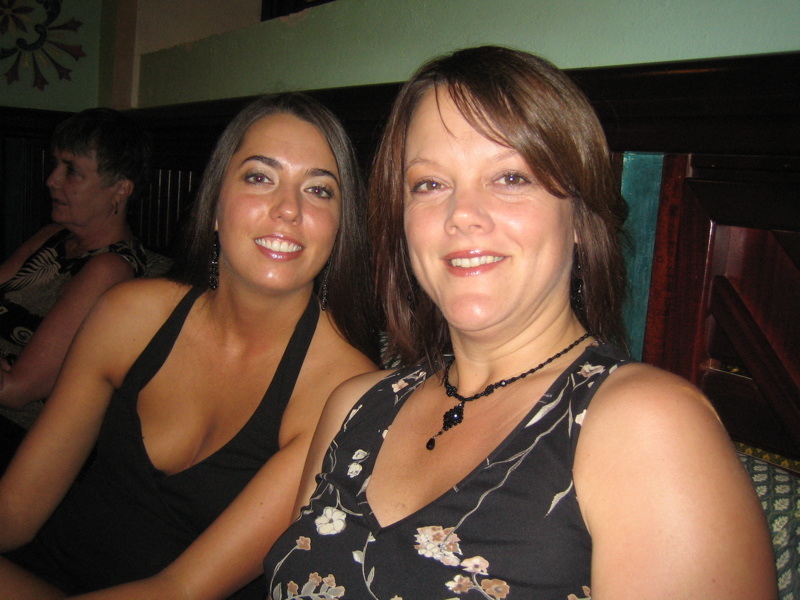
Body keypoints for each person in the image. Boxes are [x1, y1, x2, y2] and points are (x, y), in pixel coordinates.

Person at [263, 47, 777, 599]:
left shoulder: (648, 426)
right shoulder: (352, 407)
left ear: (579, 215)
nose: (462, 214)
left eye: (510, 177)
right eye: (429, 184)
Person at [0, 93, 378, 599]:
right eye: (259, 177)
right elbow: (15, 512)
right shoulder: (128, 315)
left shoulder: (345, 393)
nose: (289, 209)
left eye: (318, 190)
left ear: (340, 226)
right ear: (215, 204)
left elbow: (180, 590)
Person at [0, 108, 151, 468]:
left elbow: (15, 391)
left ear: (120, 190)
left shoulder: (110, 269)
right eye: (56, 165)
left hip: (19, 440)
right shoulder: (54, 236)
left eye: (72, 171)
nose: (52, 180)